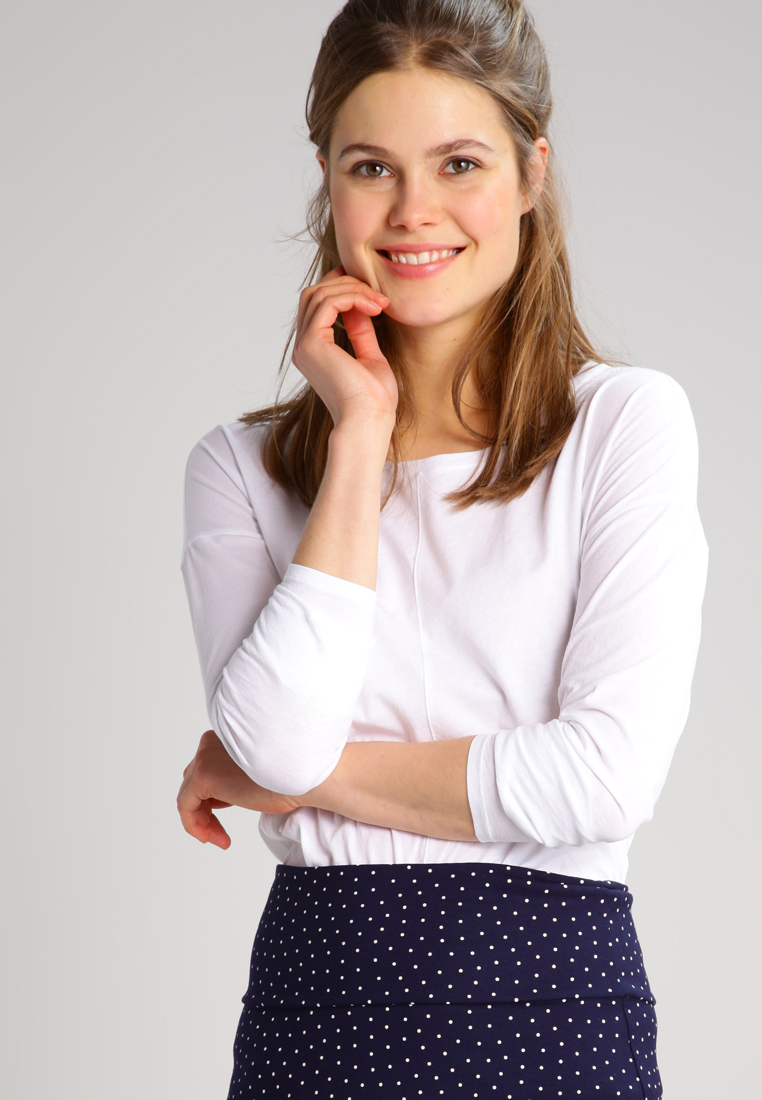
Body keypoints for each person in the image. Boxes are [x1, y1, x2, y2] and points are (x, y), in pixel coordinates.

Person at [176, 1, 708, 1096]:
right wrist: (360, 436)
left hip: (554, 1010)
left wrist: (298, 778)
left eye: (459, 163)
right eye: (372, 167)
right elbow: (276, 746)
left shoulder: (622, 426)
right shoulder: (238, 467)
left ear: (530, 172)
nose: (414, 210)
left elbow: (603, 778)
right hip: (317, 1013)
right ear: (327, 179)